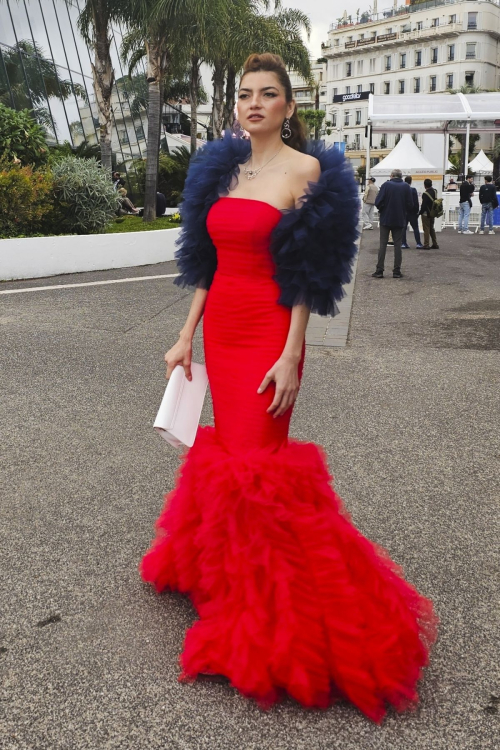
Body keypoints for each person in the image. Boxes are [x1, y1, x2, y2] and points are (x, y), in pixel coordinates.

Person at [140, 52, 437, 723]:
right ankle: (236, 579)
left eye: (267, 94)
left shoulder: (309, 173)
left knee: (260, 466)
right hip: (223, 324)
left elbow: (306, 275)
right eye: (245, 94)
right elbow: (205, 263)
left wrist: (293, 353)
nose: (253, 104)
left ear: (288, 107)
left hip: (271, 331)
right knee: (232, 462)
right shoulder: (221, 168)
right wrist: (187, 336)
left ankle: (274, 609)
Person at [372, 169, 413, 279]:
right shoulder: (406, 187)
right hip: (399, 219)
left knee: (383, 244)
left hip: (386, 218)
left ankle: (379, 270)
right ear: (401, 176)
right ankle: (396, 271)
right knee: (398, 245)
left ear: (391, 176)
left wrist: (382, 210)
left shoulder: (386, 185)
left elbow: (378, 202)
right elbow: (410, 204)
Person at [401, 175, 423, 249]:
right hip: (412, 212)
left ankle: (403, 243)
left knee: (403, 228)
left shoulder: (402, 190)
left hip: (404, 212)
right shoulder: (413, 190)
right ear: (411, 181)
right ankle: (418, 243)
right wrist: (416, 211)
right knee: (415, 228)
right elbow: (416, 202)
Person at [419, 178, 439, 249]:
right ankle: (435, 243)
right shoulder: (435, 191)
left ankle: (426, 244)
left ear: (425, 185)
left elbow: (424, 205)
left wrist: (420, 212)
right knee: (431, 228)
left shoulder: (425, 194)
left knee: (426, 228)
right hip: (433, 212)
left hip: (426, 213)